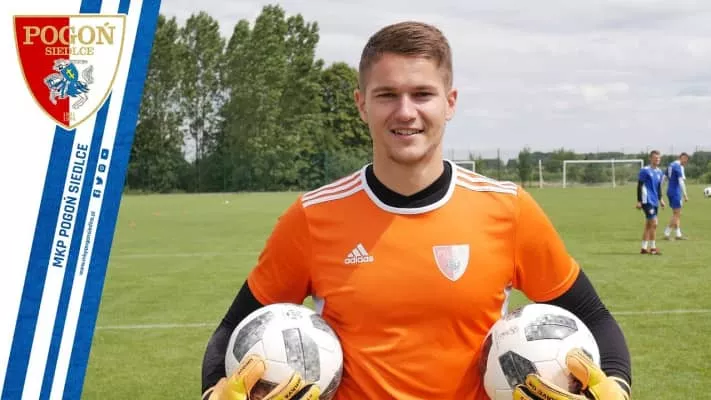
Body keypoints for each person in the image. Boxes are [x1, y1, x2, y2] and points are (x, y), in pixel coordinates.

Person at [201, 21, 632, 400]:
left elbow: (594, 318)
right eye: (387, 95)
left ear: (450, 102)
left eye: (422, 94)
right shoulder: (313, 217)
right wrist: (213, 393)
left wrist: (616, 386)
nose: (405, 112)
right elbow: (232, 329)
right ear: (361, 104)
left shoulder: (508, 209)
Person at [636, 150, 665, 255]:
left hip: (654, 200)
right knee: (654, 223)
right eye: (655, 158)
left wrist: (661, 199)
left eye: (659, 158)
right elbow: (639, 186)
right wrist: (639, 201)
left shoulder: (659, 172)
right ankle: (653, 248)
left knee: (649, 225)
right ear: (650, 158)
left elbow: (658, 187)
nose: (657, 159)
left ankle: (643, 248)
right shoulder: (645, 170)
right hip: (646, 200)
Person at [663, 152, 689, 240]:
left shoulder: (671, 165)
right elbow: (681, 181)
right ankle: (667, 233)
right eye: (684, 159)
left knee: (676, 213)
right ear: (680, 158)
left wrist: (660, 188)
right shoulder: (678, 167)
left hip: (670, 190)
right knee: (677, 214)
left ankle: (678, 234)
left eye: (687, 160)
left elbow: (664, 177)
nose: (685, 161)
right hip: (675, 192)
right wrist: (685, 194)